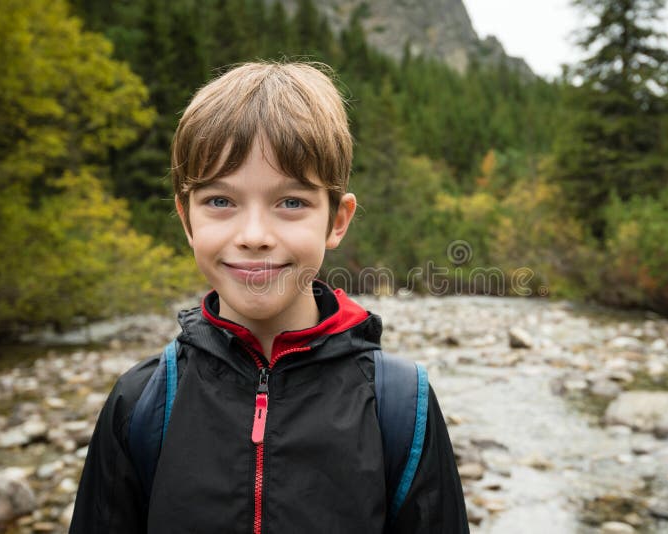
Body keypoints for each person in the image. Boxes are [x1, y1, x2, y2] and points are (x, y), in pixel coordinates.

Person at [69, 62, 468, 533]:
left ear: (337, 220)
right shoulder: (142, 405)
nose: (254, 235)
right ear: (186, 219)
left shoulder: (401, 405)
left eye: (291, 202)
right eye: (220, 201)